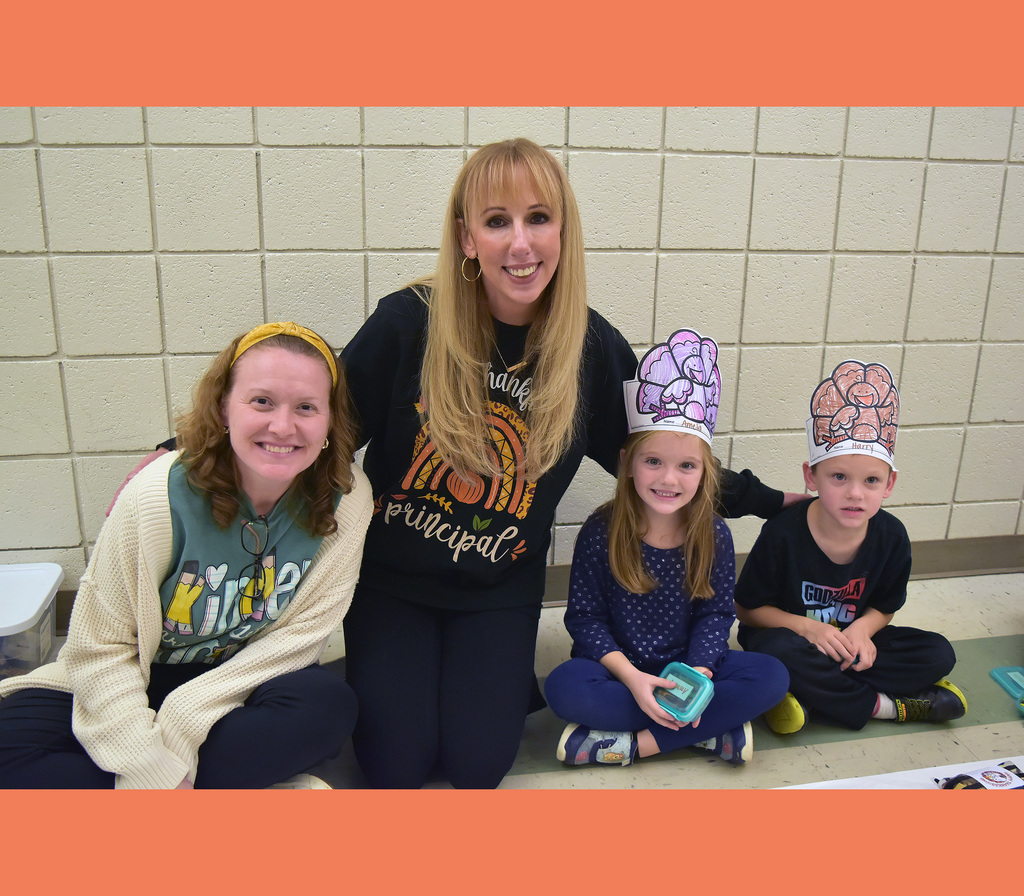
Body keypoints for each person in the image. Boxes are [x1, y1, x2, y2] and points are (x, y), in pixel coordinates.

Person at [0, 322, 373, 789]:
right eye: (261, 401)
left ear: (330, 421)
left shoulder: (348, 497)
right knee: (8, 748)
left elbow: (298, 641)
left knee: (327, 708)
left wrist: (179, 725)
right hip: (137, 672)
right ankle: (220, 790)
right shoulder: (157, 494)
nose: (283, 426)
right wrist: (144, 760)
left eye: (306, 408)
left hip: (243, 680)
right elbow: (99, 646)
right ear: (223, 408)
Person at [543, 329, 789, 768]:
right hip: (620, 673)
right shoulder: (601, 531)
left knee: (771, 676)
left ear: (704, 472)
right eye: (653, 461)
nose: (668, 479)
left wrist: (697, 675)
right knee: (564, 686)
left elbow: (716, 616)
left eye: (686, 466)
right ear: (627, 463)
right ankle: (707, 731)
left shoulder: (714, 534)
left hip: (689, 673)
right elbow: (585, 619)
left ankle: (631, 745)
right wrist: (635, 678)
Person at [734, 360, 966, 734]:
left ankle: (813, 696)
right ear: (812, 475)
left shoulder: (891, 537)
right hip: (793, 640)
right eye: (838, 476)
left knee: (938, 653)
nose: (855, 493)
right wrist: (806, 628)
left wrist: (862, 631)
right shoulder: (783, 534)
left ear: (889, 484)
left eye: (871, 480)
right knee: (775, 655)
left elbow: (885, 607)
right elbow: (746, 610)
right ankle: (884, 706)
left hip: (851, 645)